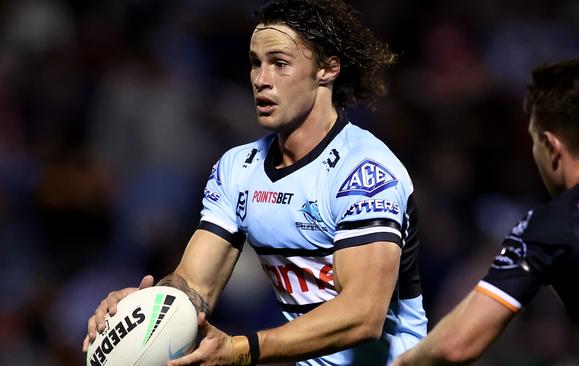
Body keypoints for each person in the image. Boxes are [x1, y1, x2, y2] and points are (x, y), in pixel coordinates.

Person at [82, 0, 428, 365]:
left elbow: (363, 315)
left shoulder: (364, 171)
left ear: (327, 68)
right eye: (255, 63)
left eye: (279, 63)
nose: (261, 80)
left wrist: (241, 349)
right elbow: (194, 286)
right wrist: (138, 311)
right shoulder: (238, 168)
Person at [393, 55, 579, 365]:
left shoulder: (553, 226)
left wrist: (401, 363)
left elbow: (455, 346)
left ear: (551, 146)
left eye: (534, 142)